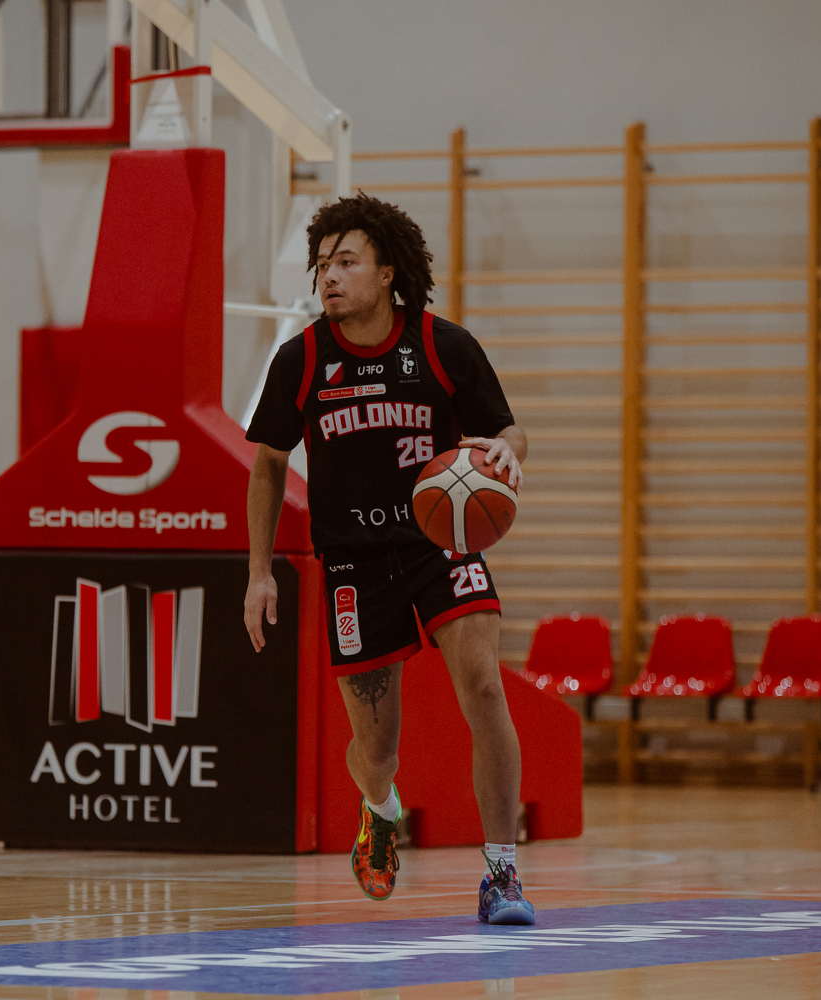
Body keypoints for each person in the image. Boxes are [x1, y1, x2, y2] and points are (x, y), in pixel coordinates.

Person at [242, 194, 536, 925]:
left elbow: (507, 431)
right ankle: (379, 808)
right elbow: (268, 464)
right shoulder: (302, 358)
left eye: (345, 262)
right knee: (376, 749)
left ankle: (502, 875)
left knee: (485, 690)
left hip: (440, 542)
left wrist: (506, 452)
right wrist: (258, 573)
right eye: (322, 265)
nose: (329, 277)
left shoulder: (442, 346)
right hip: (352, 561)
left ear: (386, 273)